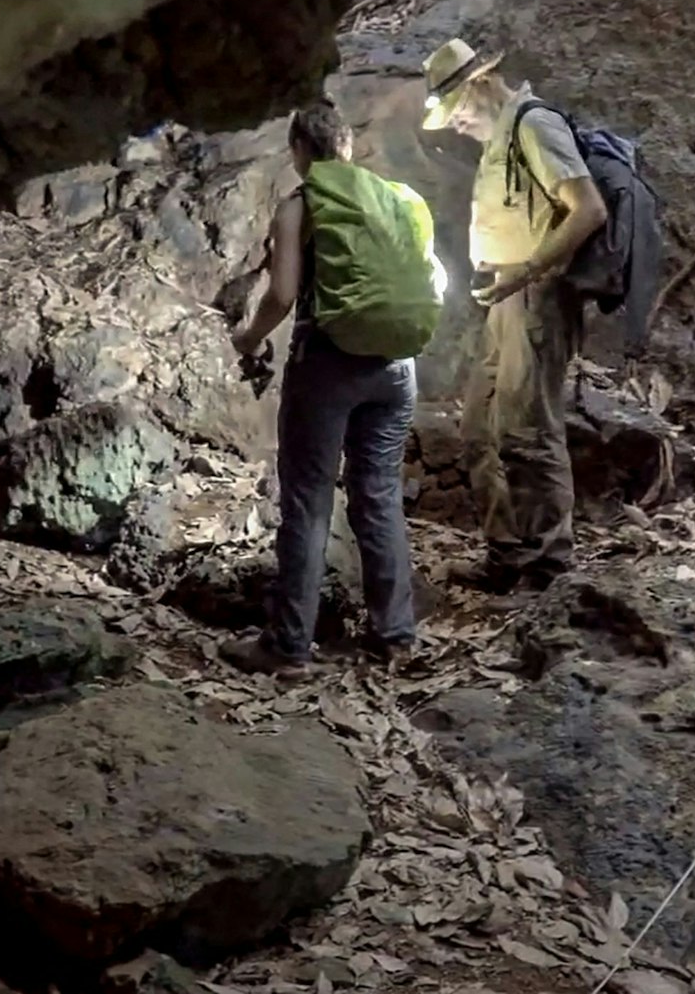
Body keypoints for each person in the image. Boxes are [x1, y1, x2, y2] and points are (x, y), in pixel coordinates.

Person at [221, 101, 428, 675]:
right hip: (398, 366)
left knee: (309, 504)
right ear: (348, 147)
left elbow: (283, 295)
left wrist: (248, 339)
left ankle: (288, 647)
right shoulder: (394, 197)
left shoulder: (301, 204)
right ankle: (396, 636)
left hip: (330, 366)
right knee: (379, 496)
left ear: (299, 152)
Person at [421, 38, 608, 593]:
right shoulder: (500, 139)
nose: (455, 127)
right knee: (480, 428)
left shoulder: (534, 124)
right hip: (506, 293)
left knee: (530, 429)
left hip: (536, 296)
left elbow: (588, 209)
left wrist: (530, 270)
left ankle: (548, 566)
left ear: (480, 82)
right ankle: (507, 555)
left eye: (456, 114)